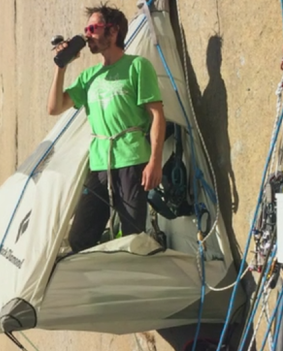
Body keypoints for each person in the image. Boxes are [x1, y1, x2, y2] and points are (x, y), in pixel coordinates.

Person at [46, 3, 166, 253]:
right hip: (99, 164)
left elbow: (157, 115)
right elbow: (54, 107)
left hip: (133, 160)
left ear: (112, 32)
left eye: (93, 28)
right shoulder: (89, 77)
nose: (87, 34)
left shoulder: (137, 66)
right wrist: (61, 66)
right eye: (86, 29)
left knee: (134, 237)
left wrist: (155, 161)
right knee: (80, 238)